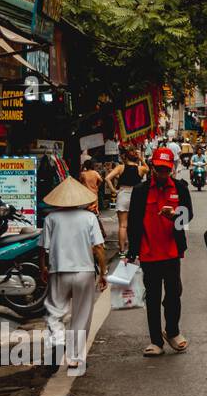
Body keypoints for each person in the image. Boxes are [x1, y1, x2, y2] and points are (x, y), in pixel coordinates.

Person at [125, 147, 192, 358]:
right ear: (152, 166)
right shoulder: (140, 191)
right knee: (152, 297)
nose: (162, 173)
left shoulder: (180, 188)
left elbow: (188, 216)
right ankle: (155, 341)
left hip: (172, 252)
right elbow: (134, 222)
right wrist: (132, 252)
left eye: (166, 169)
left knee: (173, 295)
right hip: (149, 253)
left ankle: (172, 331)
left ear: (171, 168)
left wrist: (174, 216)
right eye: (159, 168)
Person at [39, 177, 107, 373]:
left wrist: (43, 268)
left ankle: (58, 342)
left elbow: (43, 248)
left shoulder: (51, 218)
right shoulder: (89, 218)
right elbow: (99, 249)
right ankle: (75, 358)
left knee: (55, 312)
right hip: (84, 271)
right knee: (81, 315)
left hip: (58, 270)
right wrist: (103, 273)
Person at [107, 149, 145, 252]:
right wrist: (141, 158)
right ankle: (135, 248)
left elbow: (107, 178)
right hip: (136, 196)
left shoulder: (120, 167)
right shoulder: (141, 169)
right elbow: (149, 169)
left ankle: (122, 250)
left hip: (123, 195)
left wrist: (114, 190)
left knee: (123, 225)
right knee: (136, 223)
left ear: (125, 157)